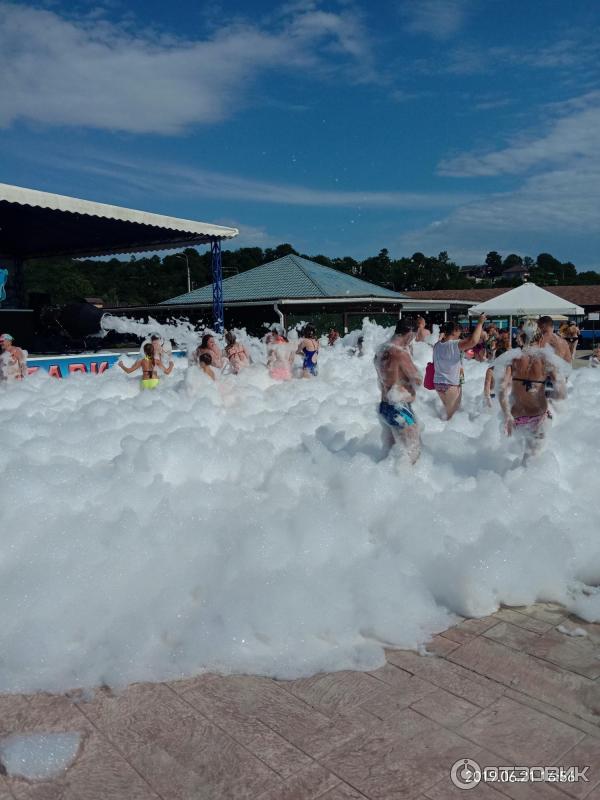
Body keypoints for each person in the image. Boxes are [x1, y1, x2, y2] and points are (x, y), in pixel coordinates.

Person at [499, 321, 564, 462]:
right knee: (532, 459)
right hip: (537, 416)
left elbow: (502, 388)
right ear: (540, 338)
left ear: (522, 337)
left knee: (517, 454)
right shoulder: (546, 359)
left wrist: (506, 415)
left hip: (516, 417)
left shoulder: (513, 358)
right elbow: (560, 389)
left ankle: (508, 477)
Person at [374, 321, 422, 464]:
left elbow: (388, 377)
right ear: (409, 334)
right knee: (412, 453)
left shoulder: (380, 350)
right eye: (413, 337)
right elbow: (417, 379)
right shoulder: (400, 354)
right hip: (400, 408)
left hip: (385, 406)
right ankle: (407, 484)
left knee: (390, 452)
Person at [432, 314, 486, 419]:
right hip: (450, 384)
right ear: (454, 331)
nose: (460, 333)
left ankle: (440, 431)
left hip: (438, 383)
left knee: (447, 413)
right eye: (459, 331)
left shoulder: (437, 345)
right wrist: (480, 323)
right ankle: (446, 434)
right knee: (452, 417)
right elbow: (473, 341)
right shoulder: (454, 344)